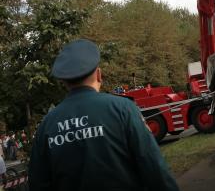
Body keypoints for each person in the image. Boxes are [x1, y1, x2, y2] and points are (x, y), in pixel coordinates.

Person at [28, 39, 179, 191]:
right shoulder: (123, 109)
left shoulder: (46, 126)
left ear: (64, 82)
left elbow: (38, 184)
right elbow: (154, 168)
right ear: (99, 75)